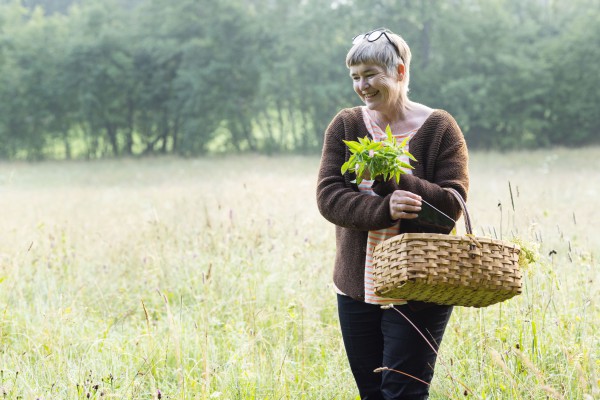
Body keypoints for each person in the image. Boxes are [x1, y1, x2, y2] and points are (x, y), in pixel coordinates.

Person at [316, 28, 469, 399]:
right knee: (372, 393)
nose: (362, 86)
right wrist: (384, 208)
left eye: (370, 74)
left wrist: (393, 179)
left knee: (404, 393)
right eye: (355, 76)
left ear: (399, 72)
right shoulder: (346, 124)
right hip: (357, 286)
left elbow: (451, 207)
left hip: (421, 286)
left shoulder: (440, 129)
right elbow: (328, 196)